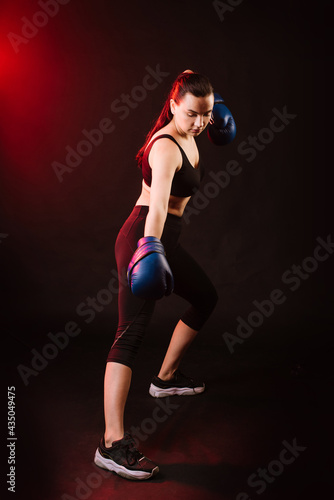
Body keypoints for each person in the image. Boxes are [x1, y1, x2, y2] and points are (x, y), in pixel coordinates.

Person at [94, 70, 234, 481]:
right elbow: (156, 207)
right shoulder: (165, 148)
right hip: (144, 237)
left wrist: (208, 101)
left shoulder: (196, 122)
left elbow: (192, 80)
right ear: (173, 106)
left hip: (167, 240)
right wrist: (149, 249)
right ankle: (111, 444)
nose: (199, 123)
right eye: (191, 114)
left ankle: (166, 378)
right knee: (129, 335)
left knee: (205, 298)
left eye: (206, 115)